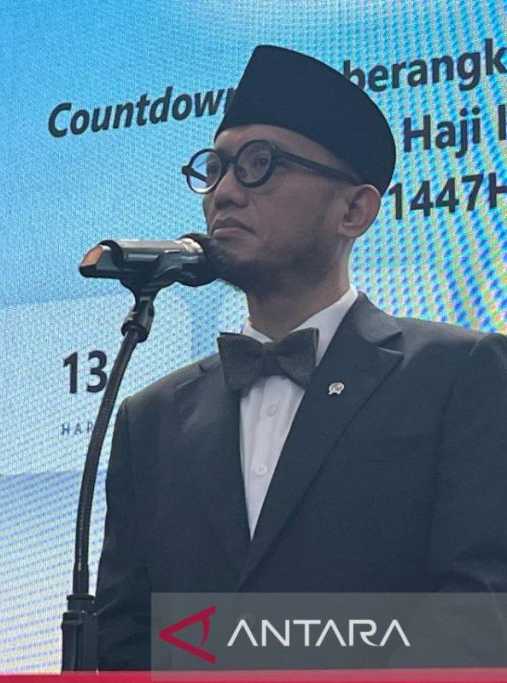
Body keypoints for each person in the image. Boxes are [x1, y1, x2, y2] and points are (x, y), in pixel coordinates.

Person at [95, 45, 507, 670]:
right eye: (216, 168)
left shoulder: (458, 373)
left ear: (354, 210)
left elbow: (483, 611)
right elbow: (126, 638)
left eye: (260, 165)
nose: (224, 194)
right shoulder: (150, 419)